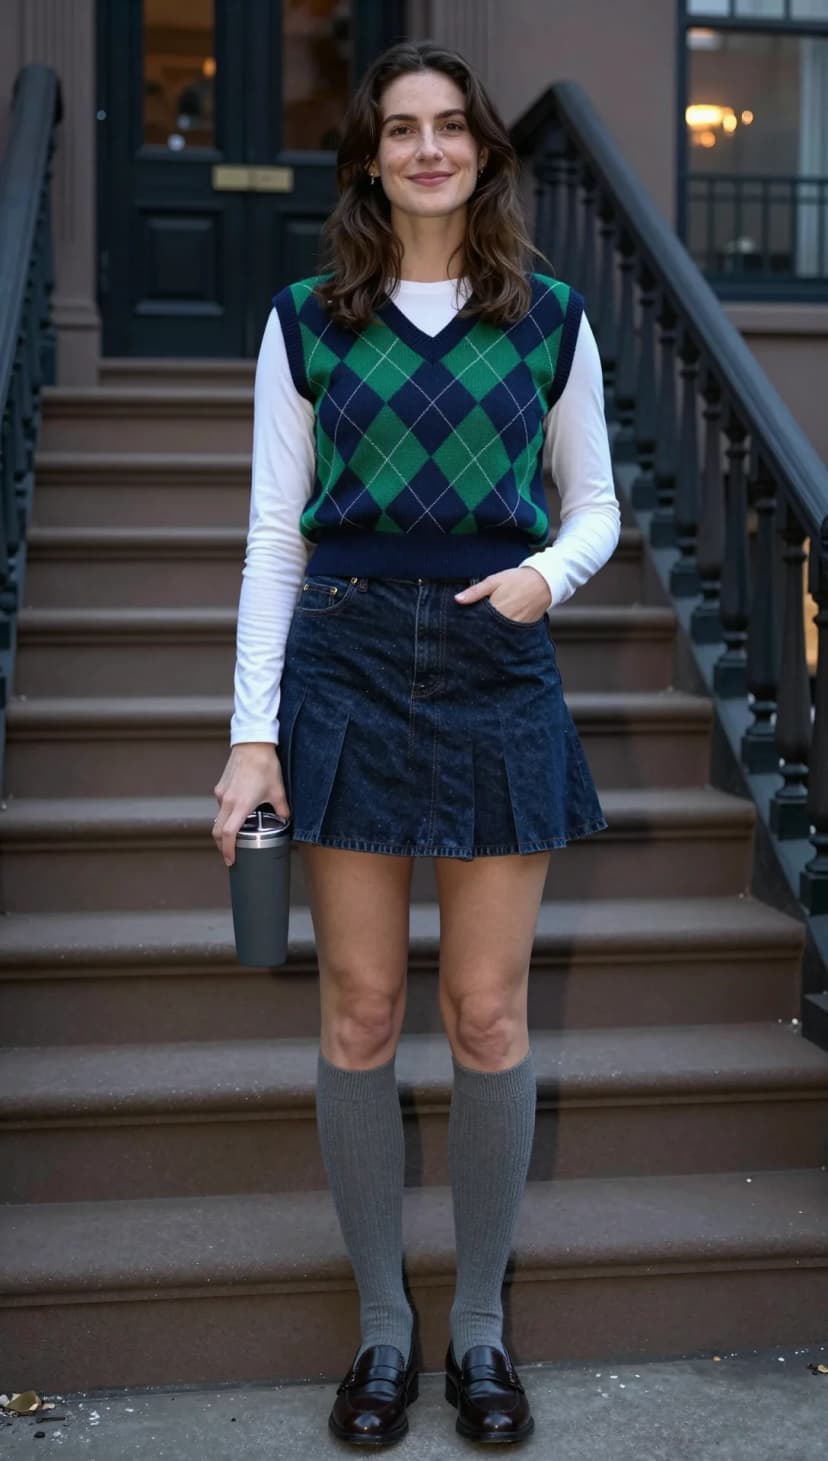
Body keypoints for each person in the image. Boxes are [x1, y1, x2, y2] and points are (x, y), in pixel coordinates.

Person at [212, 38, 620, 1448]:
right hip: (348, 662)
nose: (430, 148)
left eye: (453, 126)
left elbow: (598, 506)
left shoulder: (553, 319)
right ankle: (387, 1326)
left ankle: (486, 1329)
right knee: (364, 1012)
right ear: (370, 158)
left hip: (499, 660)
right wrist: (250, 739)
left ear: (484, 152)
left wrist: (544, 578)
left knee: (489, 1017)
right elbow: (275, 537)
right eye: (403, 129)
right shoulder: (308, 318)